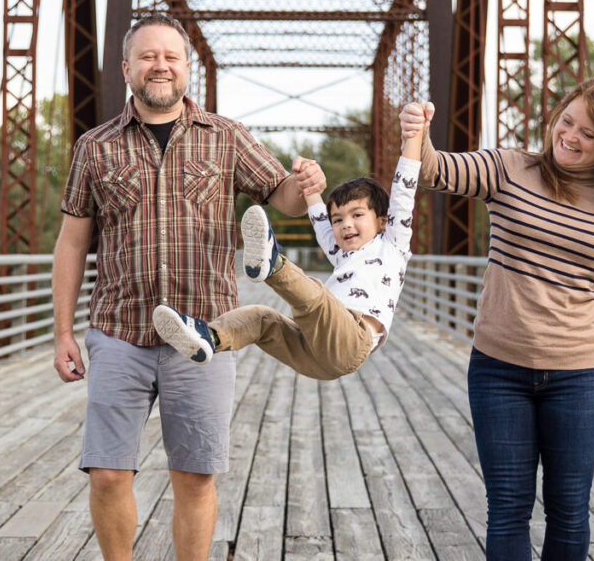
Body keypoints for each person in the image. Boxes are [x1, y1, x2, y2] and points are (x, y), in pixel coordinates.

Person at [399, 79, 594, 561]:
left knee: (569, 511)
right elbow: (435, 170)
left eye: (588, 133)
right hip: (498, 370)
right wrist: (416, 134)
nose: (570, 136)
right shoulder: (507, 168)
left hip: (580, 378)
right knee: (507, 508)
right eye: (567, 121)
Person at [51, 14, 326, 561]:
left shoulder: (225, 138)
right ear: (127, 68)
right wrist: (62, 331)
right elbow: (71, 243)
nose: (160, 65)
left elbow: (283, 198)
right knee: (106, 474)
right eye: (148, 56)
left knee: (195, 478)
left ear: (187, 69)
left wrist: (309, 185)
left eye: (171, 57)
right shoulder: (95, 146)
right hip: (118, 332)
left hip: (204, 334)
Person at [151, 106, 426, 380]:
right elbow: (319, 219)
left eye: (357, 215)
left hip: (352, 341)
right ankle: (209, 337)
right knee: (262, 319)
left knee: (317, 298)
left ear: (382, 220)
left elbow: (404, 191)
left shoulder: (393, 245)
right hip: (312, 352)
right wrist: (307, 180)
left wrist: (413, 135)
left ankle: (274, 264)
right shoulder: (341, 253)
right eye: (338, 220)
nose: (346, 225)